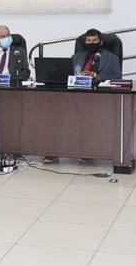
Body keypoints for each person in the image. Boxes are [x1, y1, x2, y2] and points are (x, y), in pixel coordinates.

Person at [43, 28, 122, 165]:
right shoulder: (76, 57)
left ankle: (85, 149)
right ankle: (54, 149)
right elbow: (67, 75)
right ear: (84, 43)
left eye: (94, 41)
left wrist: (97, 76)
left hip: (99, 96)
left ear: (101, 42)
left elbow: (117, 77)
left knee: (85, 113)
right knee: (55, 112)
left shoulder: (111, 57)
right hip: (76, 94)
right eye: (88, 41)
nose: (91, 43)